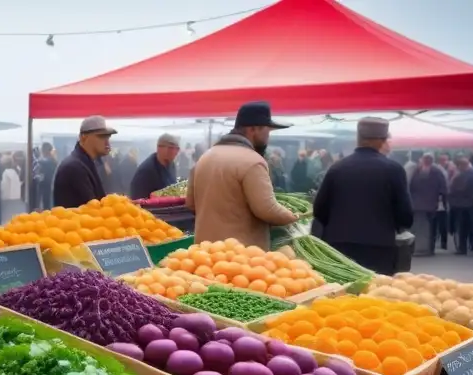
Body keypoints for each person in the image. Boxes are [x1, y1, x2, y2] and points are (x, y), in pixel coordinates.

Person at [185, 102, 299, 250]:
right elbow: (267, 209)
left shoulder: (205, 157)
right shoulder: (252, 161)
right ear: (253, 129)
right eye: (267, 131)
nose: (267, 137)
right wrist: (293, 217)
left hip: (205, 253)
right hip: (239, 256)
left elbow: (190, 203)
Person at [312, 118, 413, 276]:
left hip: (339, 248)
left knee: (341, 295)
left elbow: (319, 210)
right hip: (379, 247)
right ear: (383, 141)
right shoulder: (394, 170)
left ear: (358, 139)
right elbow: (405, 215)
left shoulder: (337, 168)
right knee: (375, 295)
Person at [53, 116, 116, 208]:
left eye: (108, 137)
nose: (107, 143)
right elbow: (93, 208)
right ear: (84, 137)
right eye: (101, 136)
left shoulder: (88, 163)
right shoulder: (75, 167)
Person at [409, 154, 448, 255]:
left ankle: (428, 248)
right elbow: (412, 186)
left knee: (431, 227)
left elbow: (442, 188)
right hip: (421, 204)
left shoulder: (434, 171)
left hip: (428, 204)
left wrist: (442, 201)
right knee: (422, 227)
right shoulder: (420, 170)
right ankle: (423, 247)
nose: (426, 161)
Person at [447, 155, 473, 255]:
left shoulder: (461, 175)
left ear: (460, 166)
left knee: (463, 228)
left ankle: (463, 248)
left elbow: (455, 189)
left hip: (462, 205)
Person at [129, 134, 180, 200]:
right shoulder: (146, 170)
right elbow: (137, 199)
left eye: (177, 149)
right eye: (171, 148)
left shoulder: (171, 165)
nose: (175, 152)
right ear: (159, 148)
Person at [33, 142, 58, 210]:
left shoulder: (47, 161)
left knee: (46, 205)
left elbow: (40, 165)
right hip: (49, 185)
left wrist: (36, 158)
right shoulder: (52, 160)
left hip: (46, 185)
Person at [0, 157, 25, 222]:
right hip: (16, 197)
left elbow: (3, 186)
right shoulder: (14, 172)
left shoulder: (5, 173)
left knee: (7, 217)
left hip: (7, 198)